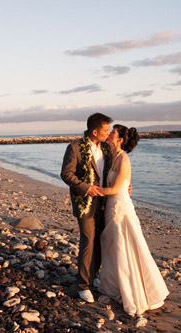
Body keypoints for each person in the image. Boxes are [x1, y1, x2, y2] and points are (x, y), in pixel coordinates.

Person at [98, 124, 169, 318]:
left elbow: (115, 189)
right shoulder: (111, 155)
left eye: (112, 132)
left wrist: (91, 190)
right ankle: (117, 285)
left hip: (120, 208)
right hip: (111, 206)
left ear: (119, 139)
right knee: (113, 247)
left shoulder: (124, 160)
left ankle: (135, 292)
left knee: (125, 247)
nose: (109, 134)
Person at [61, 113, 112, 303]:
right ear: (95, 131)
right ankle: (83, 285)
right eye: (106, 130)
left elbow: (111, 171)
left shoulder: (106, 148)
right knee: (88, 240)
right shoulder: (74, 147)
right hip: (85, 202)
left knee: (100, 240)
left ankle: (93, 277)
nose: (109, 133)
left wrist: (124, 186)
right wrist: (86, 188)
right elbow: (66, 174)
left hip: (105, 201)